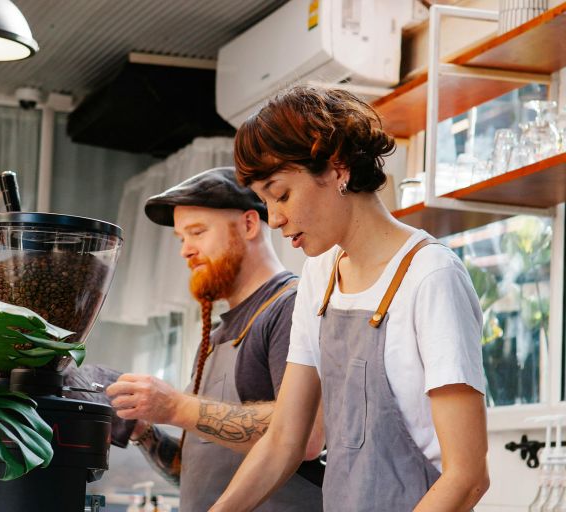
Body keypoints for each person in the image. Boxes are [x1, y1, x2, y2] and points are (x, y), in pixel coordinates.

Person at [209, 87, 490, 512]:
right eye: (264, 202)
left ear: (337, 168)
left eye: (281, 194)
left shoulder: (431, 277)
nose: (275, 218)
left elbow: (467, 477)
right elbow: (286, 439)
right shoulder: (319, 275)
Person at [106, 166, 324, 512]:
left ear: (250, 225)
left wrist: (177, 406)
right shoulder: (216, 336)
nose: (186, 251)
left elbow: (307, 435)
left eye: (197, 232)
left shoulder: (291, 307)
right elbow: (196, 473)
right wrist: (140, 427)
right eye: (182, 239)